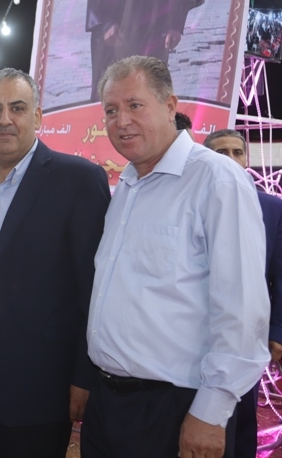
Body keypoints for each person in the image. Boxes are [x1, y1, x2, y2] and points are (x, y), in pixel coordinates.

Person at [83, 56, 270, 458]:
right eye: (111, 110)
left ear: (170, 106)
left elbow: (243, 308)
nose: (122, 121)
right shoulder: (127, 185)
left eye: (135, 105)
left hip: (177, 406)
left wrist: (212, 411)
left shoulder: (216, 179)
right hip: (109, 402)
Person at [0, 69, 110, 457]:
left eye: (17, 108)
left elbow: (94, 290)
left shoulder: (78, 180)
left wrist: (83, 376)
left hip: (36, 385)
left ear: (37, 116)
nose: (4, 119)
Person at [204, 128, 282, 458]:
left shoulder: (272, 207)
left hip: (246, 336)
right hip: (192, 332)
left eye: (237, 152)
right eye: (222, 152)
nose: (232, 159)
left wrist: (276, 331)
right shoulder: (194, 201)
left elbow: (279, 274)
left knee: (240, 423)